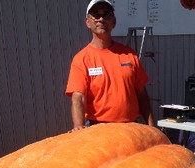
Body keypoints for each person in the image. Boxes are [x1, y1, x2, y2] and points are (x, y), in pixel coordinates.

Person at [66, 0, 154, 132]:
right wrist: (78, 126)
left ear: (114, 22)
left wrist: (151, 127)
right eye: (96, 15)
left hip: (131, 129)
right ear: (88, 22)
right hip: (98, 129)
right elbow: (78, 97)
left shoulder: (129, 54)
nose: (101, 19)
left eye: (106, 14)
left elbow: (142, 94)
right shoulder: (81, 59)